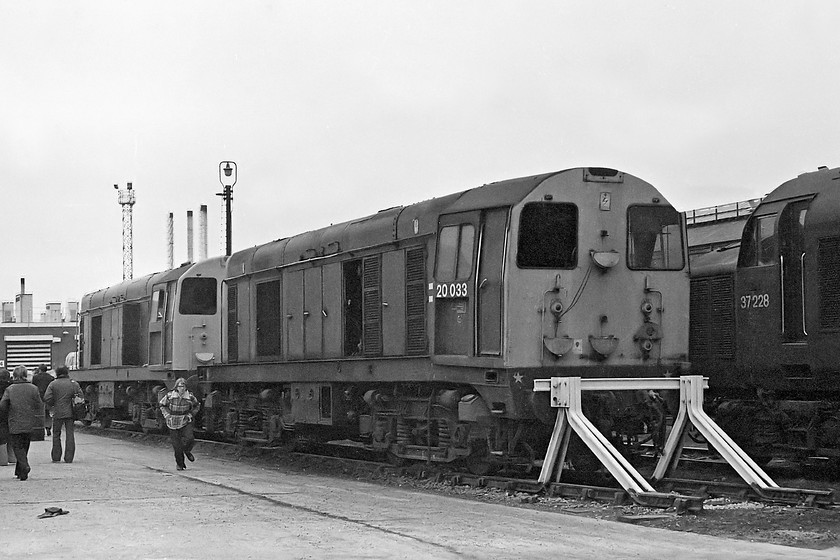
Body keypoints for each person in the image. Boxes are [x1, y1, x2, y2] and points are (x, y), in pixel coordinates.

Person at [0, 366, 44, 480]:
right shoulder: (33, 388)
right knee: (25, 445)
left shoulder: (10, 389)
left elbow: (3, 405)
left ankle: (24, 466)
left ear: (14, 375)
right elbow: (39, 404)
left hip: (14, 421)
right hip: (30, 420)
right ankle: (21, 472)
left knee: (17, 446)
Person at [43, 366, 84, 463]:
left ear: (57, 373)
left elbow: (47, 397)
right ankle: (69, 457)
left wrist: (53, 404)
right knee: (70, 434)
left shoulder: (53, 384)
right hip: (70, 412)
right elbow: (81, 397)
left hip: (57, 412)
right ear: (67, 373)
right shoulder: (73, 383)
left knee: (56, 434)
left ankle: (56, 456)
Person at [158, 378, 199, 470]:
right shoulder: (170, 396)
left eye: (183, 386)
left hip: (185, 420)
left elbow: (197, 405)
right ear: (176, 387)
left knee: (190, 438)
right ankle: (180, 464)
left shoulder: (190, 397)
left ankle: (187, 450)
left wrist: (191, 414)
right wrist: (167, 415)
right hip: (172, 422)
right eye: (180, 386)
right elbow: (162, 405)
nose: (182, 388)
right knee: (177, 446)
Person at [31, 364, 54, 436]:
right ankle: (48, 427)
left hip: (39, 397)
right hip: (48, 397)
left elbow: (34, 387)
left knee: (40, 414)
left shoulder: (35, 377)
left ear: (39, 369)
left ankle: (41, 429)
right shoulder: (51, 378)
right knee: (48, 413)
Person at [0, 369, 11, 466]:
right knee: (12, 435)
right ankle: (12, 458)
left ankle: (3, 460)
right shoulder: (12, 386)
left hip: (1, 413)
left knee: (2, 437)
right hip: (11, 413)